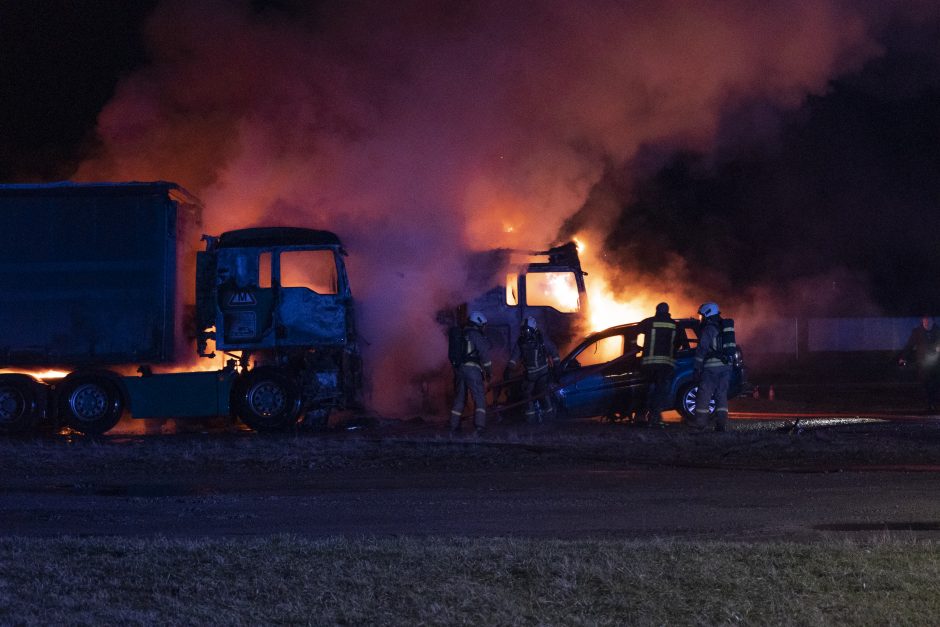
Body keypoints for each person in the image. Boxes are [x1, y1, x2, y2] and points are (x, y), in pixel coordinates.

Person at [504, 316, 559, 424]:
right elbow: (514, 358)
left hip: (543, 373)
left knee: (543, 393)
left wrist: (557, 366)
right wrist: (508, 369)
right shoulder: (521, 342)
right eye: (523, 330)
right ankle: (531, 421)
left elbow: (553, 352)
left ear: (534, 329)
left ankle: (550, 420)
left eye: (527, 330)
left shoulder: (541, 339)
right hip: (530, 375)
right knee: (527, 396)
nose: (525, 333)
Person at [692, 301, 736, 432]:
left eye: (702, 316)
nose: (701, 318)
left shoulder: (709, 328)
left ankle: (700, 423)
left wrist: (697, 367)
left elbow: (702, 349)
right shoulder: (725, 326)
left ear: (708, 313)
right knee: (721, 395)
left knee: (704, 394)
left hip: (711, 367)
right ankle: (721, 424)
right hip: (726, 366)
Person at [450, 311, 493, 436]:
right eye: (483, 325)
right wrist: (489, 372)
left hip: (459, 370)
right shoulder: (476, 335)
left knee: (459, 399)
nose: (484, 328)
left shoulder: (462, 334)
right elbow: (485, 355)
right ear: (478, 324)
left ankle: (453, 427)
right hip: (472, 371)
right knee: (479, 399)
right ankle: (479, 428)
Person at [637, 302, 678, 427]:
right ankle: (654, 418)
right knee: (660, 391)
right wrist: (672, 352)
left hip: (648, 364)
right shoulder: (675, 325)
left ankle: (640, 416)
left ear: (656, 310)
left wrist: (635, 345)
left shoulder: (648, 322)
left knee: (645, 389)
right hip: (665, 365)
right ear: (667, 311)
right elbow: (679, 343)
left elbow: (635, 331)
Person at [897, 315, 940, 412]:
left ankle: (933, 402)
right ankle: (929, 403)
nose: (927, 323)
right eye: (925, 321)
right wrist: (903, 357)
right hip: (923, 362)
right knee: (925, 383)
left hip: (936, 363)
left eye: (928, 320)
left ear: (933, 321)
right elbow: (910, 345)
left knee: (935, 383)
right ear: (922, 321)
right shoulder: (917, 332)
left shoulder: (938, 331)